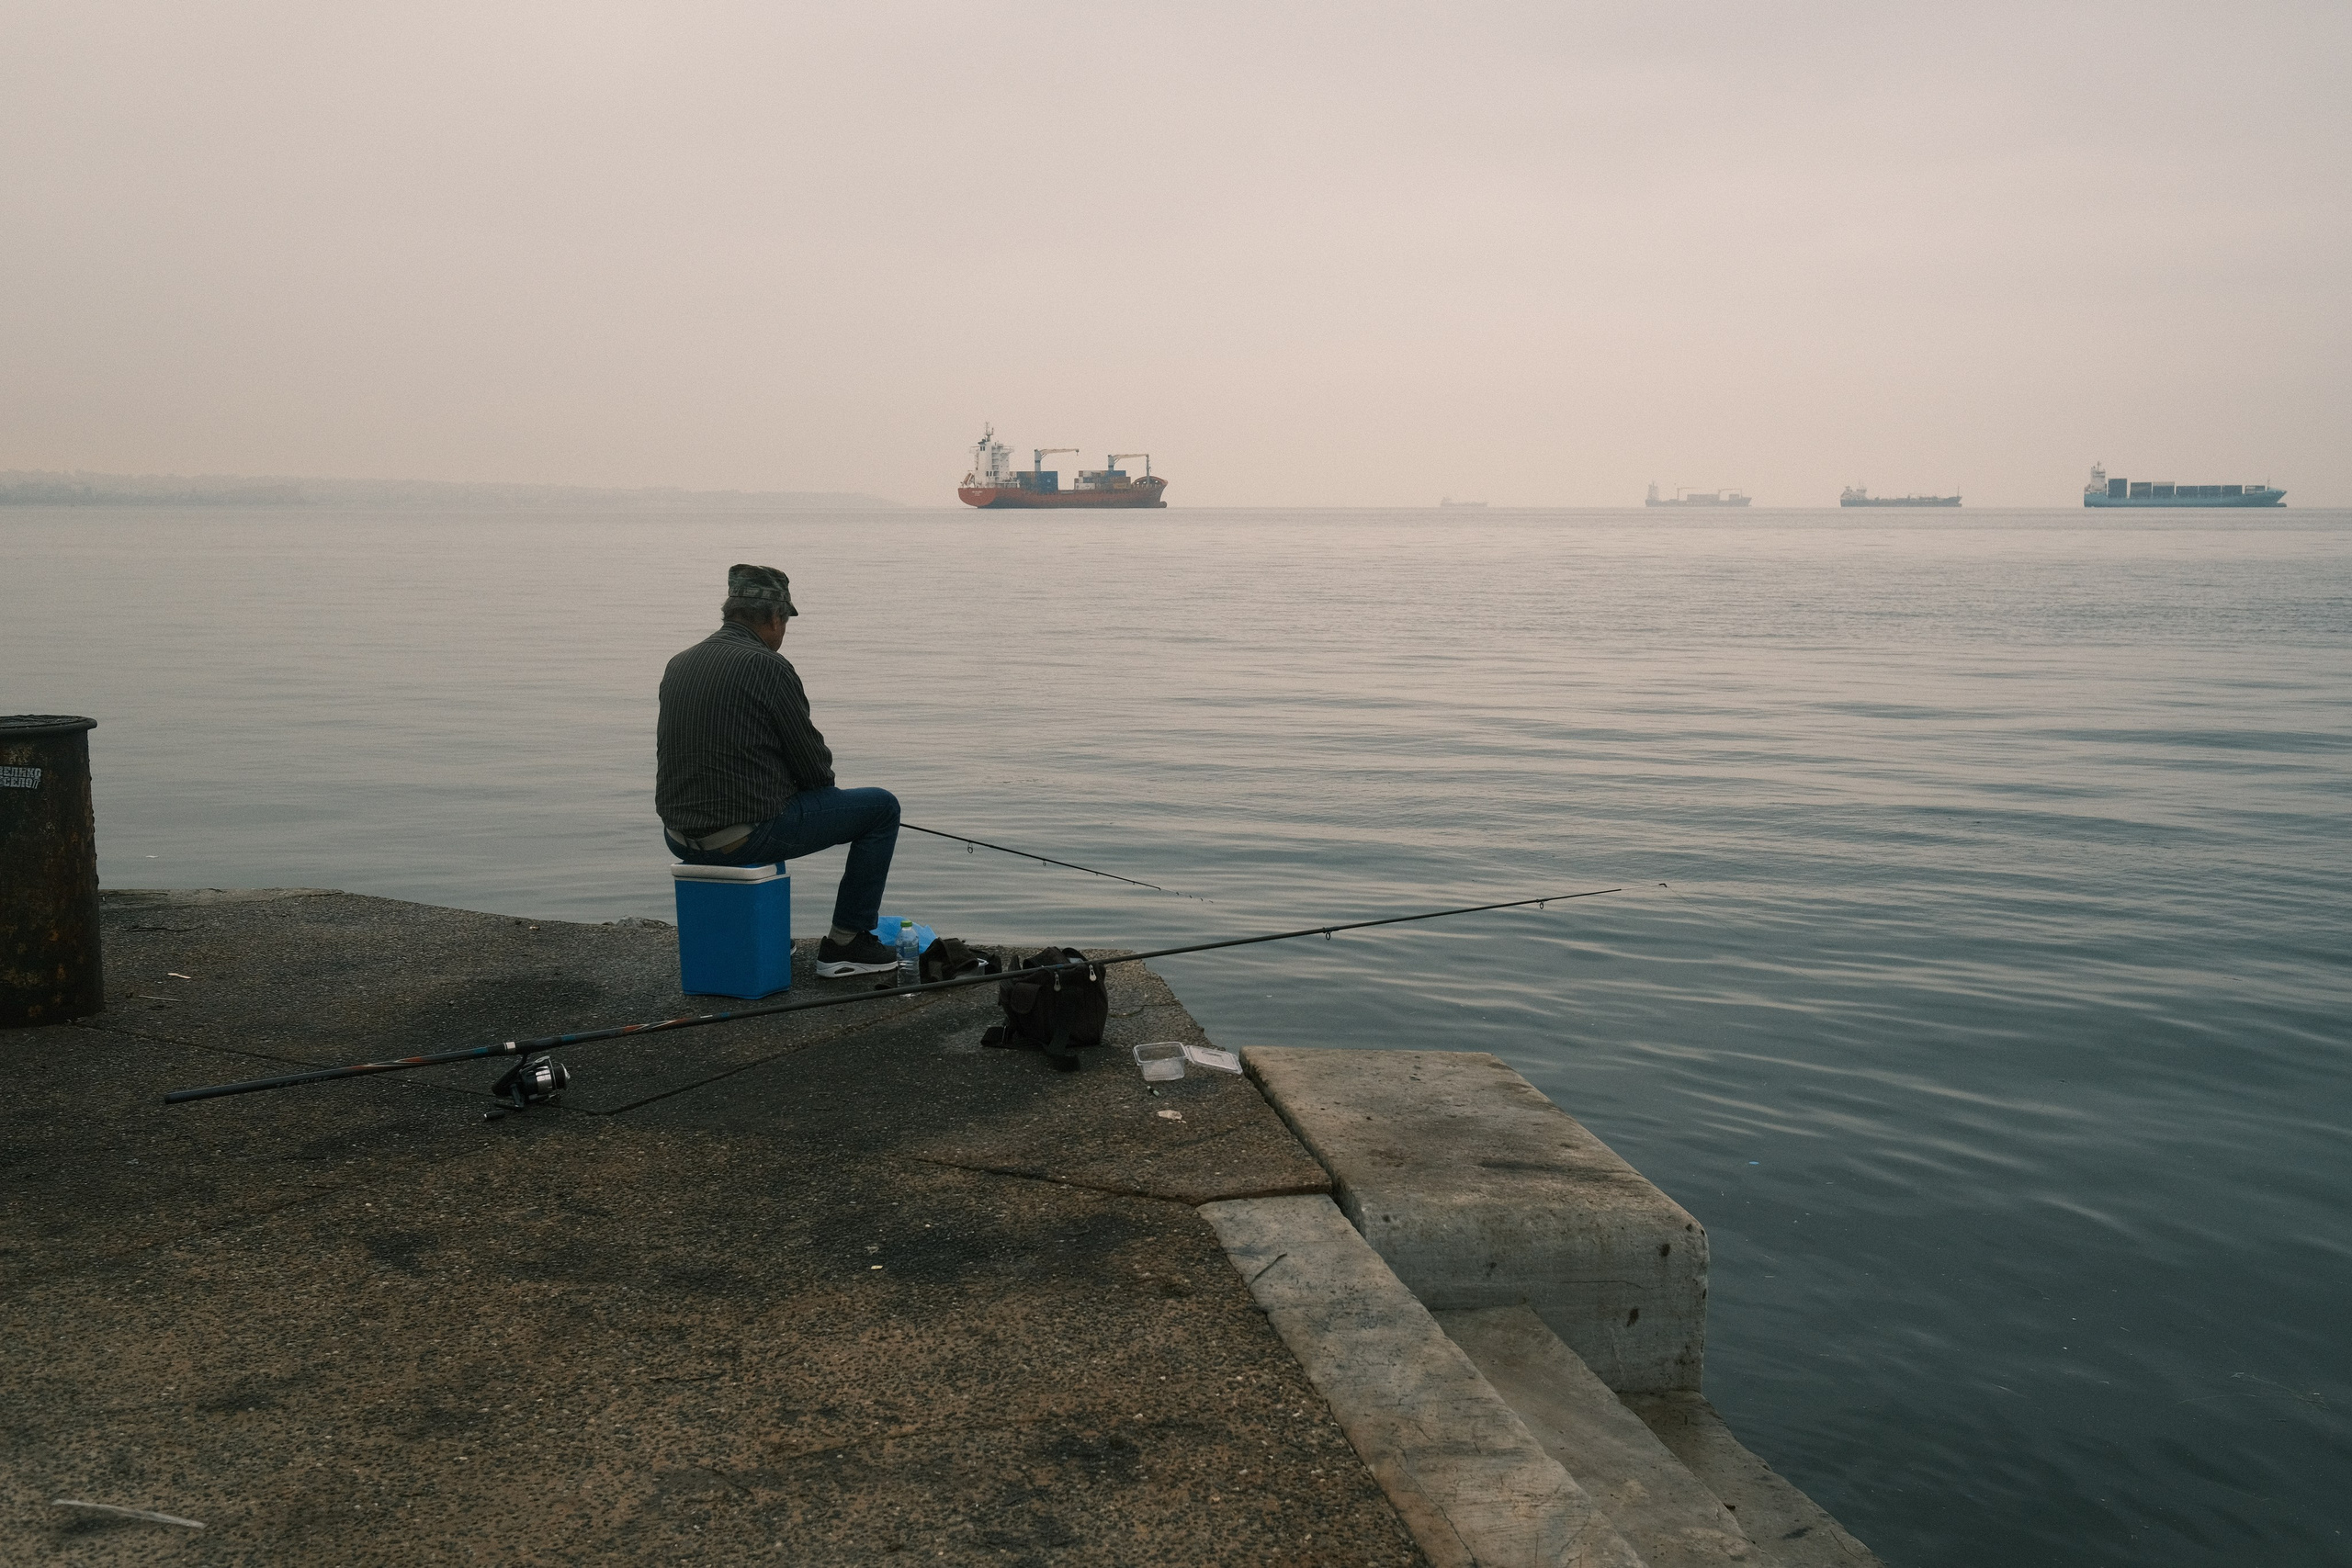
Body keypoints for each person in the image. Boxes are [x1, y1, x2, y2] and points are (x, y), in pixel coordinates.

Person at [656, 563, 903, 977]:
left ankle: (766, 932)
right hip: (742, 839)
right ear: (774, 618)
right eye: (785, 622)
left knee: (764, 800)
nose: (783, 633)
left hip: (679, 837)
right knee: (881, 808)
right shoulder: (768, 666)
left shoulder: (679, 663)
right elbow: (816, 771)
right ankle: (847, 943)